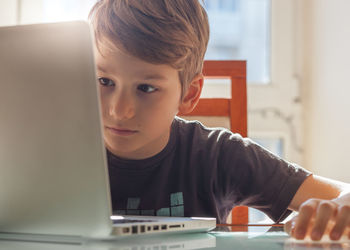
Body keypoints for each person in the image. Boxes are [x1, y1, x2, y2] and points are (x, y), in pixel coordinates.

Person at [88, 0, 350, 241]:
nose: (119, 111)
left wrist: (340, 207)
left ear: (189, 94)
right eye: (105, 81)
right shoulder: (61, 151)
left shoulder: (218, 154)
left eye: (145, 88)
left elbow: (343, 195)